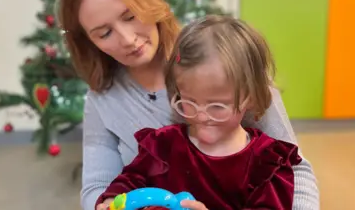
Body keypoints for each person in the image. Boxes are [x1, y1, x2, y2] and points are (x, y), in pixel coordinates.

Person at [58, 0, 319, 210]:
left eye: (130, 16)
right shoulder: (108, 103)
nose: (127, 39)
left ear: (148, 1)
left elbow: (295, 170)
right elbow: (98, 188)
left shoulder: (222, 60)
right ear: (88, 41)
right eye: (104, 33)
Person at [95, 15, 303, 210]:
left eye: (217, 106)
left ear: (249, 97)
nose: (201, 117)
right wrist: (113, 198)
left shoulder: (266, 164)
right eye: (189, 102)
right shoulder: (163, 145)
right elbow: (132, 177)